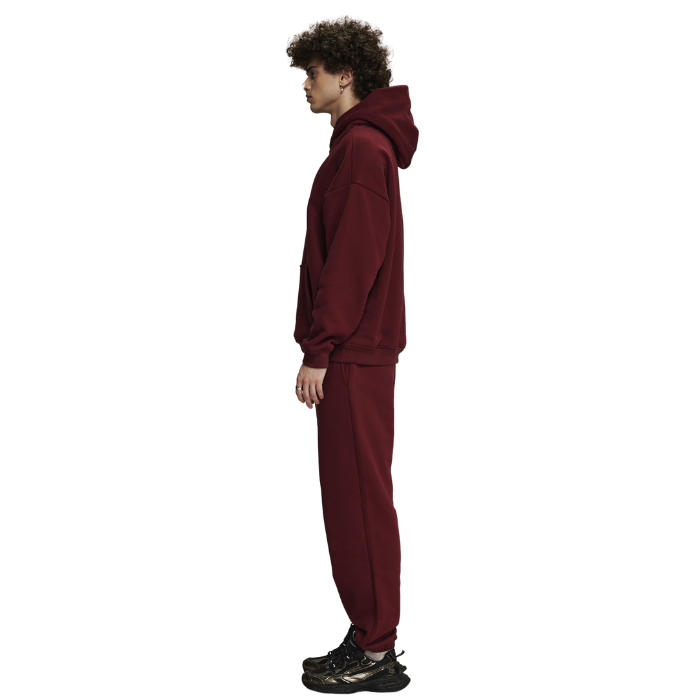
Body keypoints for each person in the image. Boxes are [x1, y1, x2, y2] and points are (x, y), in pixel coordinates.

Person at [287, 16, 419, 693]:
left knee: (358, 502)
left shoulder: (362, 150)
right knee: (354, 499)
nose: (304, 85)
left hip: (351, 355)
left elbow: (352, 261)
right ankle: (371, 634)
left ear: (346, 74)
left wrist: (320, 348)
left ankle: (375, 649)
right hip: (355, 352)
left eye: (312, 73)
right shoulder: (358, 147)